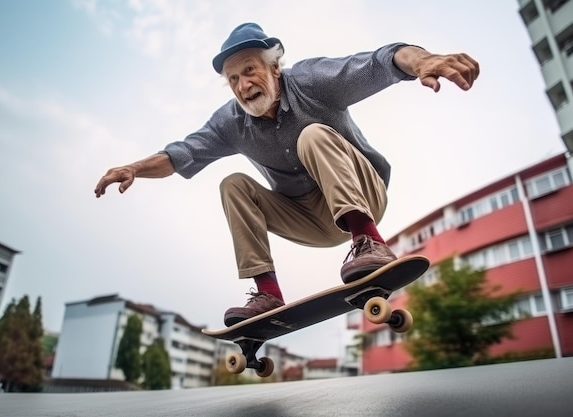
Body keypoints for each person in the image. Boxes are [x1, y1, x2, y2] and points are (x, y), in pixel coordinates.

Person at [94, 23, 479, 326]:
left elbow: (382, 61)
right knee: (233, 185)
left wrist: (425, 60)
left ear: (274, 67)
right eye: (234, 80)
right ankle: (267, 292)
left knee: (310, 135)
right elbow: (181, 154)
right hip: (309, 220)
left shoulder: (312, 81)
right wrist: (134, 168)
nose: (244, 86)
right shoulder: (230, 122)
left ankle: (368, 241)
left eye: (250, 71)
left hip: (363, 194)